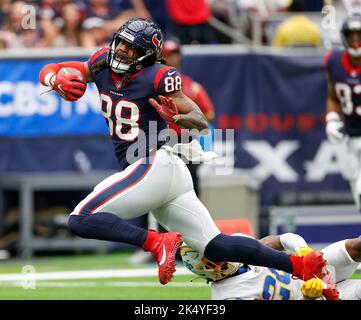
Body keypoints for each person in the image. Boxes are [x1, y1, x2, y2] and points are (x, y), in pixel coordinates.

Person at [39, 18, 327, 286]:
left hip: (153, 163)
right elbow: (50, 70)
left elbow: (201, 121)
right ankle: (300, 266)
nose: (122, 51)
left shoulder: (159, 76)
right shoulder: (102, 62)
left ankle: (155, 242)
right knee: (215, 245)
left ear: (146, 55)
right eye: (121, 43)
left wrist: (176, 117)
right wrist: (56, 80)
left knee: (81, 218)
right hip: (163, 172)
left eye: (131, 47)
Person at [181, 232, 361, 300]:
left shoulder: (237, 245)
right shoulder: (230, 297)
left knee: (355, 246)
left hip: (313, 271)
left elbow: (282, 239)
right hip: (309, 296)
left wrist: (302, 249)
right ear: (212, 267)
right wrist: (307, 298)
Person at [162, 39, 215, 196]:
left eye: (175, 55)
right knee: (159, 186)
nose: (173, 59)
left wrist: (187, 120)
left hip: (183, 140)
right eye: (169, 55)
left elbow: (208, 114)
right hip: (160, 139)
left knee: (189, 185)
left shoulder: (190, 86)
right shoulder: (152, 84)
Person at [324, 13, 361, 211]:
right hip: (352, 137)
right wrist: (331, 118)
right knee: (357, 195)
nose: (356, 41)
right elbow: (333, 96)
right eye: (352, 36)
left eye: (360, 36)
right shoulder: (334, 61)